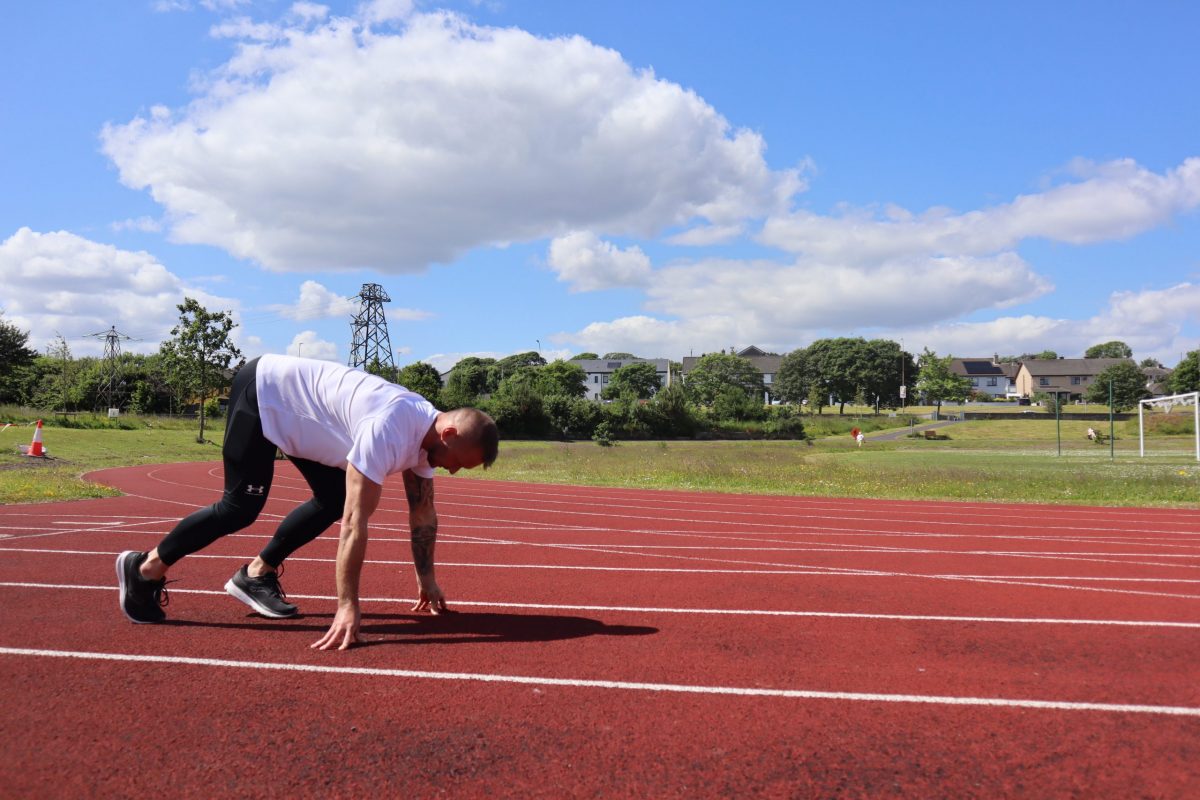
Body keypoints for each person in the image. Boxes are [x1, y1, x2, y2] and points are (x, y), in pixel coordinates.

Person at [116, 354, 499, 651]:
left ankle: (256, 573)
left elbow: (423, 514)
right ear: (448, 433)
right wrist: (347, 605)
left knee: (332, 498)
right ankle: (145, 568)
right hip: (265, 393)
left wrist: (427, 580)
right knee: (240, 507)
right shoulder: (387, 429)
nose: (453, 471)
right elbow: (355, 523)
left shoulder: (428, 439)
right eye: (458, 462)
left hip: (306, 417)